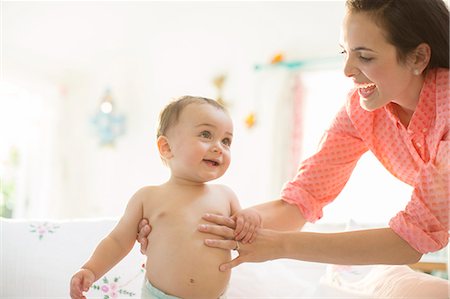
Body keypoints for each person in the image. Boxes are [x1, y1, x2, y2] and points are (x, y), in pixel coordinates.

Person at [137, 0, 449, 273]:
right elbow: (301, 201)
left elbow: (410, 242)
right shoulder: (364, 109)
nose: (347, 70)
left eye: (364, 57)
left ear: (418, 58)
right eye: (346, 52)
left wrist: (283, 246)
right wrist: (193, 225)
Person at [70, 96, 261, 299]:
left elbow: (246, 236)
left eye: (226, 141)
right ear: (166, 147)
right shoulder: (148, 197)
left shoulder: (226, 195)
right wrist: (91, 269)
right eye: (206, 134)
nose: (219, 147)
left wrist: (251, 218)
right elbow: (117, 241)